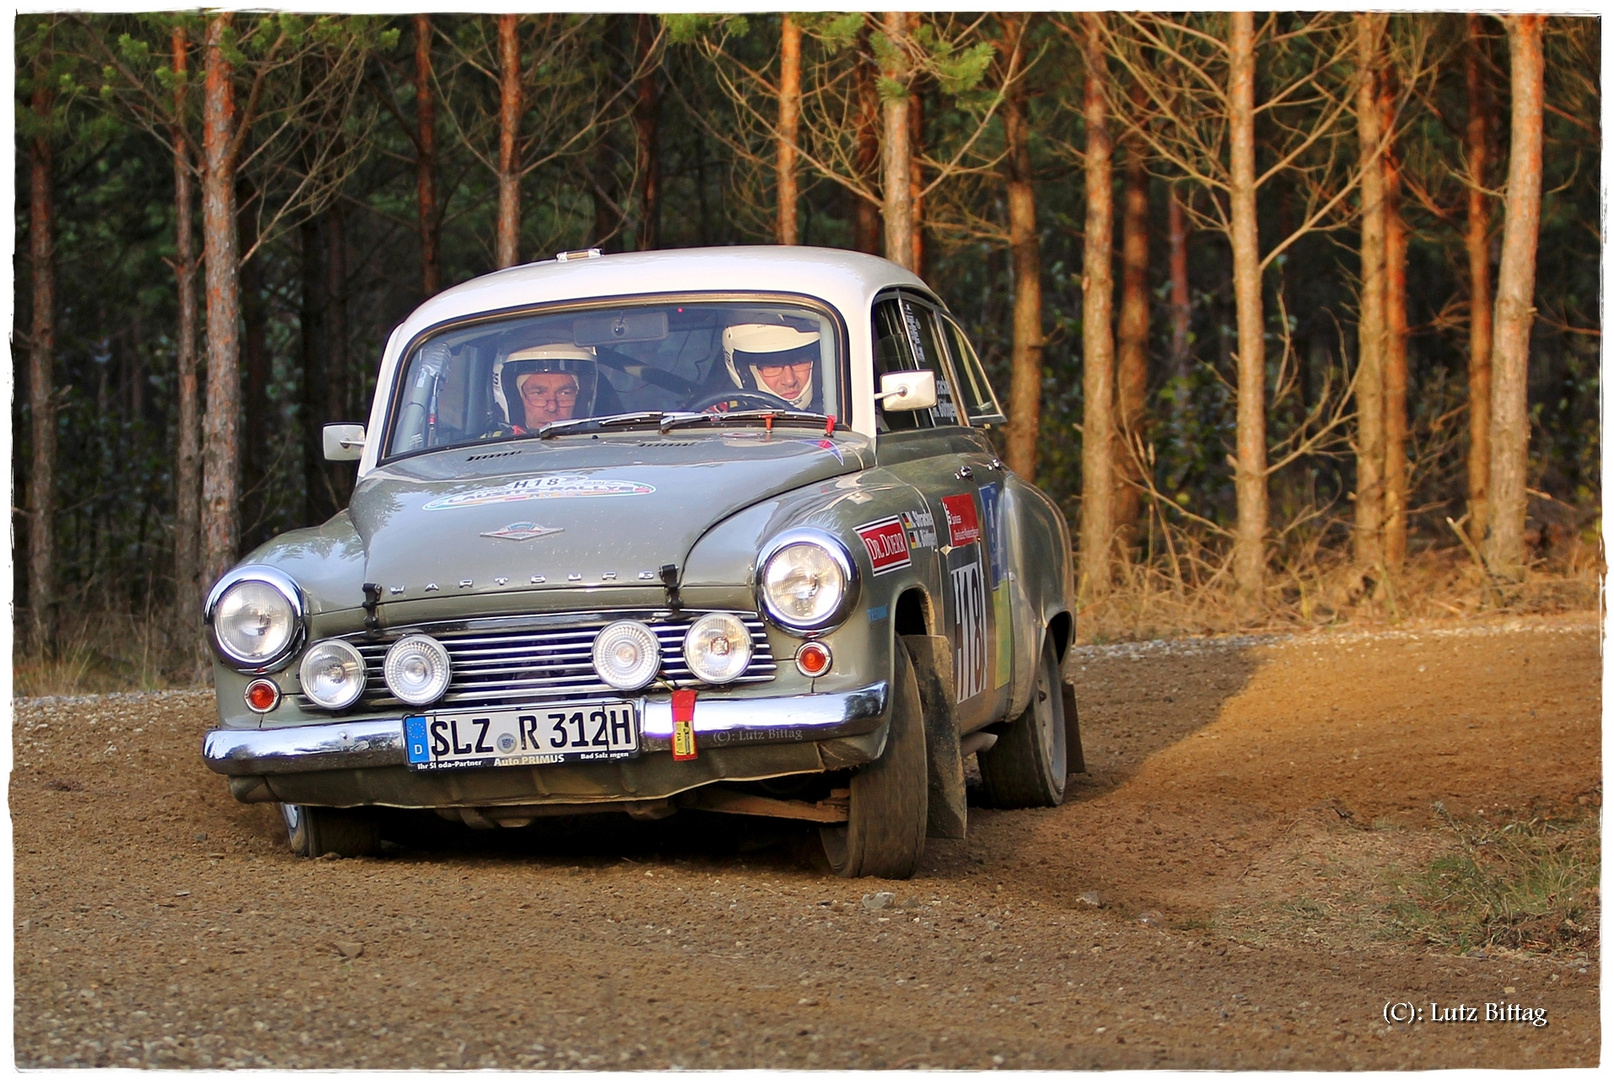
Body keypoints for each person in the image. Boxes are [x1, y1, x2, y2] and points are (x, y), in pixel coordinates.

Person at [488, 345, 599, 435]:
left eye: (565, 393)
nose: (552, 407)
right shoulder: (486, 453)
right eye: (538, 393)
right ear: (515, 398)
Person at [717, 323, 823, 411]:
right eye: (773, 366)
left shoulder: (836, 411)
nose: (789, 380)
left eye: (799, 362)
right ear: (744, 372)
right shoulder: (718, 420)